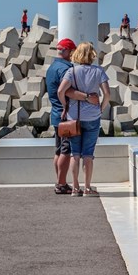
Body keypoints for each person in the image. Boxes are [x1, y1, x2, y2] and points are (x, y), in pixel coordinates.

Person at [46, 38, 100, 195]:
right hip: (66, 116)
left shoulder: (52, 67)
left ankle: (60, 182)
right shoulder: (65, 69)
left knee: (58, 151)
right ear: (68, 51)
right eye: (72, 51)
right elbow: (67, 91)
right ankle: (61, 184)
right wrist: (87, 97)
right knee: (66, 151)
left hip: (55, 115)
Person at [57, 42, 110, 197]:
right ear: (92, 54)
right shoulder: (99, 71)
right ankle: (87, 188)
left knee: (75, 153)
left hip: (74, 117)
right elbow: (107, 94)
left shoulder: (71, 71)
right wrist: (101, 108)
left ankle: (75, 188)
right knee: (88, 154)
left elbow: (61, 91)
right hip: (93, 117)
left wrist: (65, 105)